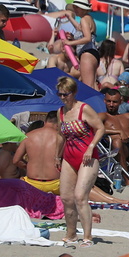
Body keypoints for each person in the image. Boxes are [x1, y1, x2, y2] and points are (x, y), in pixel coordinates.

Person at [55, 76, 105, 246]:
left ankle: (88, 236)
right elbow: (61, 136)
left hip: (88, 157)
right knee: (66, 198)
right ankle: (71, 234)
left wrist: (91, 146)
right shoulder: (61, 112)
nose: (62, 97)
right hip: (69, 157)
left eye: (65, 94)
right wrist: (57, 155)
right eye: (60, 94)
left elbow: (100, 128)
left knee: (80, 196)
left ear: (73, 93)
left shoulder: (84, 109)